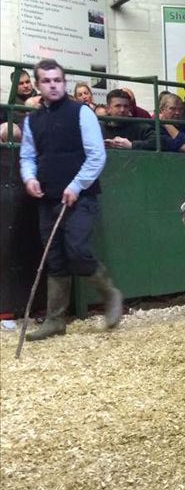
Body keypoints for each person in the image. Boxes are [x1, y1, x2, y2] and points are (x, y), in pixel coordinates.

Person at [19, 58, 122, 340]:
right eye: (47, 81)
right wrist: (30, 178)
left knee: (76, 249)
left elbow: (96, 155)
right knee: (54, 258)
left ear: (64, 83)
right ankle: (55, 320)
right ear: (39, 85)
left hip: (81, 197)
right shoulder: (32, 120)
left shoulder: (81, 113)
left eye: (57, 80)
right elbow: (27, 156)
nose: (53, 85)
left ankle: (110, 293)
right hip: (47, 197)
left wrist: (77, 185)